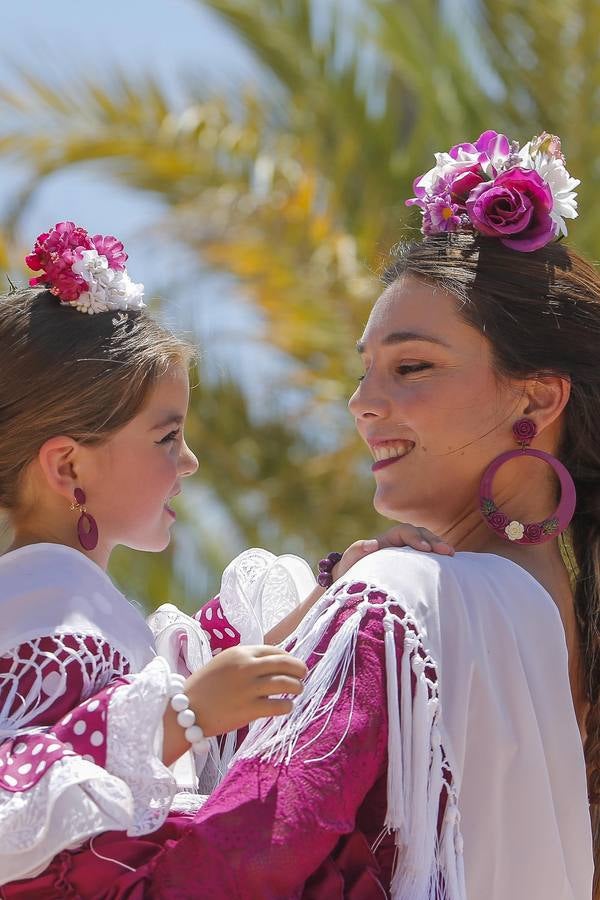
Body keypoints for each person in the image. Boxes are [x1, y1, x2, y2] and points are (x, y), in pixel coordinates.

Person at [143, 131, 597, 899]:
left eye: (410, 367)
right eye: (364, 370)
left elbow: (233, 866)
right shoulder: (564, 630)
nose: (362, 403)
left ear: (539, 396)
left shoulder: (396, 604)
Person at [0, 221, 449, 897]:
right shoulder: (35, 610)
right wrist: (185, 713)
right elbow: (16, 788)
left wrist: (332, 595)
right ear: (67, 465)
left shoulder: (78, 610)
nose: (189, 461)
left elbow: (211, 681)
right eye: (167, 436)